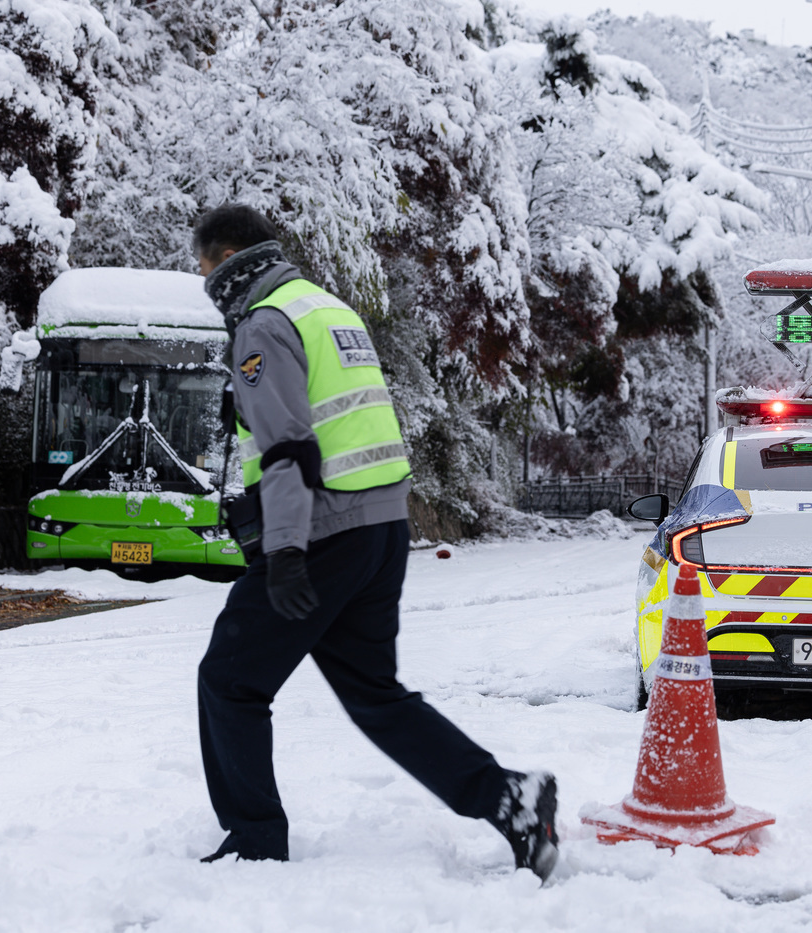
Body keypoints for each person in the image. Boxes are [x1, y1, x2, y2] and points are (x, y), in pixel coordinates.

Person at [193, 203, 559, 880]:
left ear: (222, 260)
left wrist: (285, 551)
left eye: (202, 265)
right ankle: (510, 797)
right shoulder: (327, 309)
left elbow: (289, 449)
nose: (202, 278)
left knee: (229, 679)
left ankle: (254, 841)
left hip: (321, 534)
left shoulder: (262, 323)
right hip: (383, 528)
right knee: (376, 694)